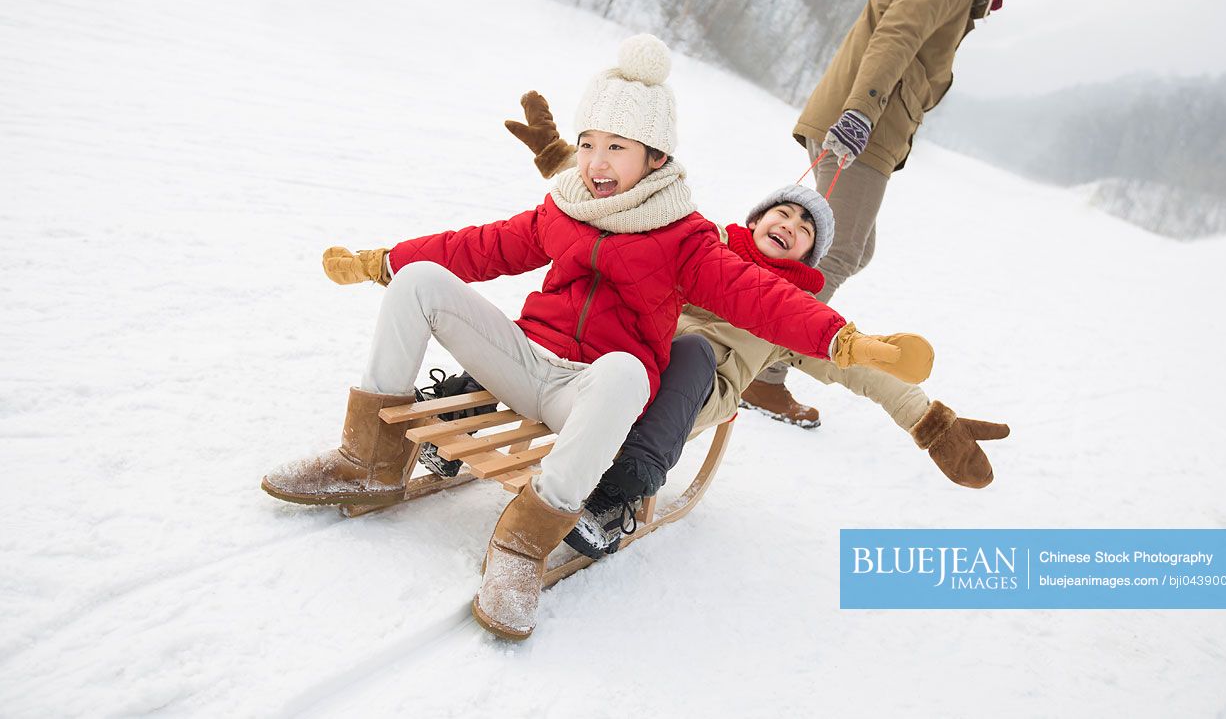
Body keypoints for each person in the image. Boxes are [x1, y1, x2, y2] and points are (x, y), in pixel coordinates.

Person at [259, 34, 934, 641]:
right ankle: (369, 460)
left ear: (655, 155)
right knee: (425, 281)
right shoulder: (565, 205)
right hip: (525, 360)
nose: (595, 161)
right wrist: (384, 261)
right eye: (588, 143)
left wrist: (845, 342)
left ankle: (524, 545)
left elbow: (761, 296)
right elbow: (482, 246)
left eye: (615, 147)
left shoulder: (686, 237)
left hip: (586, 393)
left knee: (629, 371)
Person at [506, 94, 1010, 557]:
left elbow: (858, 368)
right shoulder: (702, 249)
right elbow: (619, 210)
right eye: (783, 213)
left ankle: (618, 496)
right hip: (629, 356)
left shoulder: (790, 314)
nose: (791, 223)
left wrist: (932, 423)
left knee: (695, 352)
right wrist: (557, 155)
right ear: (754, 222)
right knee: (589, 304)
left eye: (805, 229)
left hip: (687, 393)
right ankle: (481, 391)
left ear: (808, 255)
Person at [741, 0, 1070, 427]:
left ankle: (755, 340)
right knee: (837, 253)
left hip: (870, 130)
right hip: (860, 128)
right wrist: (859, 114)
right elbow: (895, 37)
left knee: (853, 249)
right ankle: (757, 371)